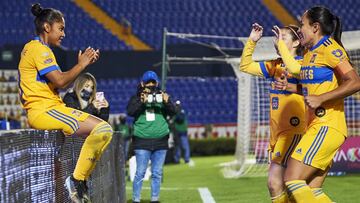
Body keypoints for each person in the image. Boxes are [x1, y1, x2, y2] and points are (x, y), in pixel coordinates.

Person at [18, 4, 113, 202]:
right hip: (44, 111)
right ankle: (77, 180)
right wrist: (81, 64)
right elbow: (60, 80)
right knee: (103, 130)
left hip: (51, 108)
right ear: (47, 27)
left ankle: (78, 181)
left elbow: (58, 81)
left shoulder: (40, 50)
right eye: (60, 28)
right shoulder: (37, 49)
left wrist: (81, 66)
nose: (64, 33)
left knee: (104, 130)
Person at [273, 6, 360, 203]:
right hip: (316, 126)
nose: (299, 28)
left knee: (292, 180)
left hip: (327, 125)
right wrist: (292, 88)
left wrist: (321, 99)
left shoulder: (331, 48)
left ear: (315, 27)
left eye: (301, 24)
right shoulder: (309, 54)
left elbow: (355, 81)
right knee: (312, 191)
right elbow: (313, 91)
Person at [239, 23, 307, 203]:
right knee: (287, 187)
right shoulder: (275, 66)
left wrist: (292, 86)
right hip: (276, 136)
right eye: (277, 37)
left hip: (293, 133)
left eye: (283, 37)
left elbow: (310, 86)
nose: (278, 40)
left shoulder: (302, 65)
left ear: (295, 44)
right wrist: (252, 42)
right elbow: (245, 66)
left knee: (274, 182)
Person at [127, 71, 176, 203]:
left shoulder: (161, 97)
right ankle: (136, 199)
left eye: (153, 82)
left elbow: (173, 112)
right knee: (140, 173)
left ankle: (155, 199)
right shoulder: (137, 98)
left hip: (161, 141)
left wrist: (167, 102)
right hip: (142, 141)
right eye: (148, 82)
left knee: (157, 173)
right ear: (142, 84)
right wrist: (141, 102)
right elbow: (130, 111)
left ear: (157, 83)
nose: (150, 85)